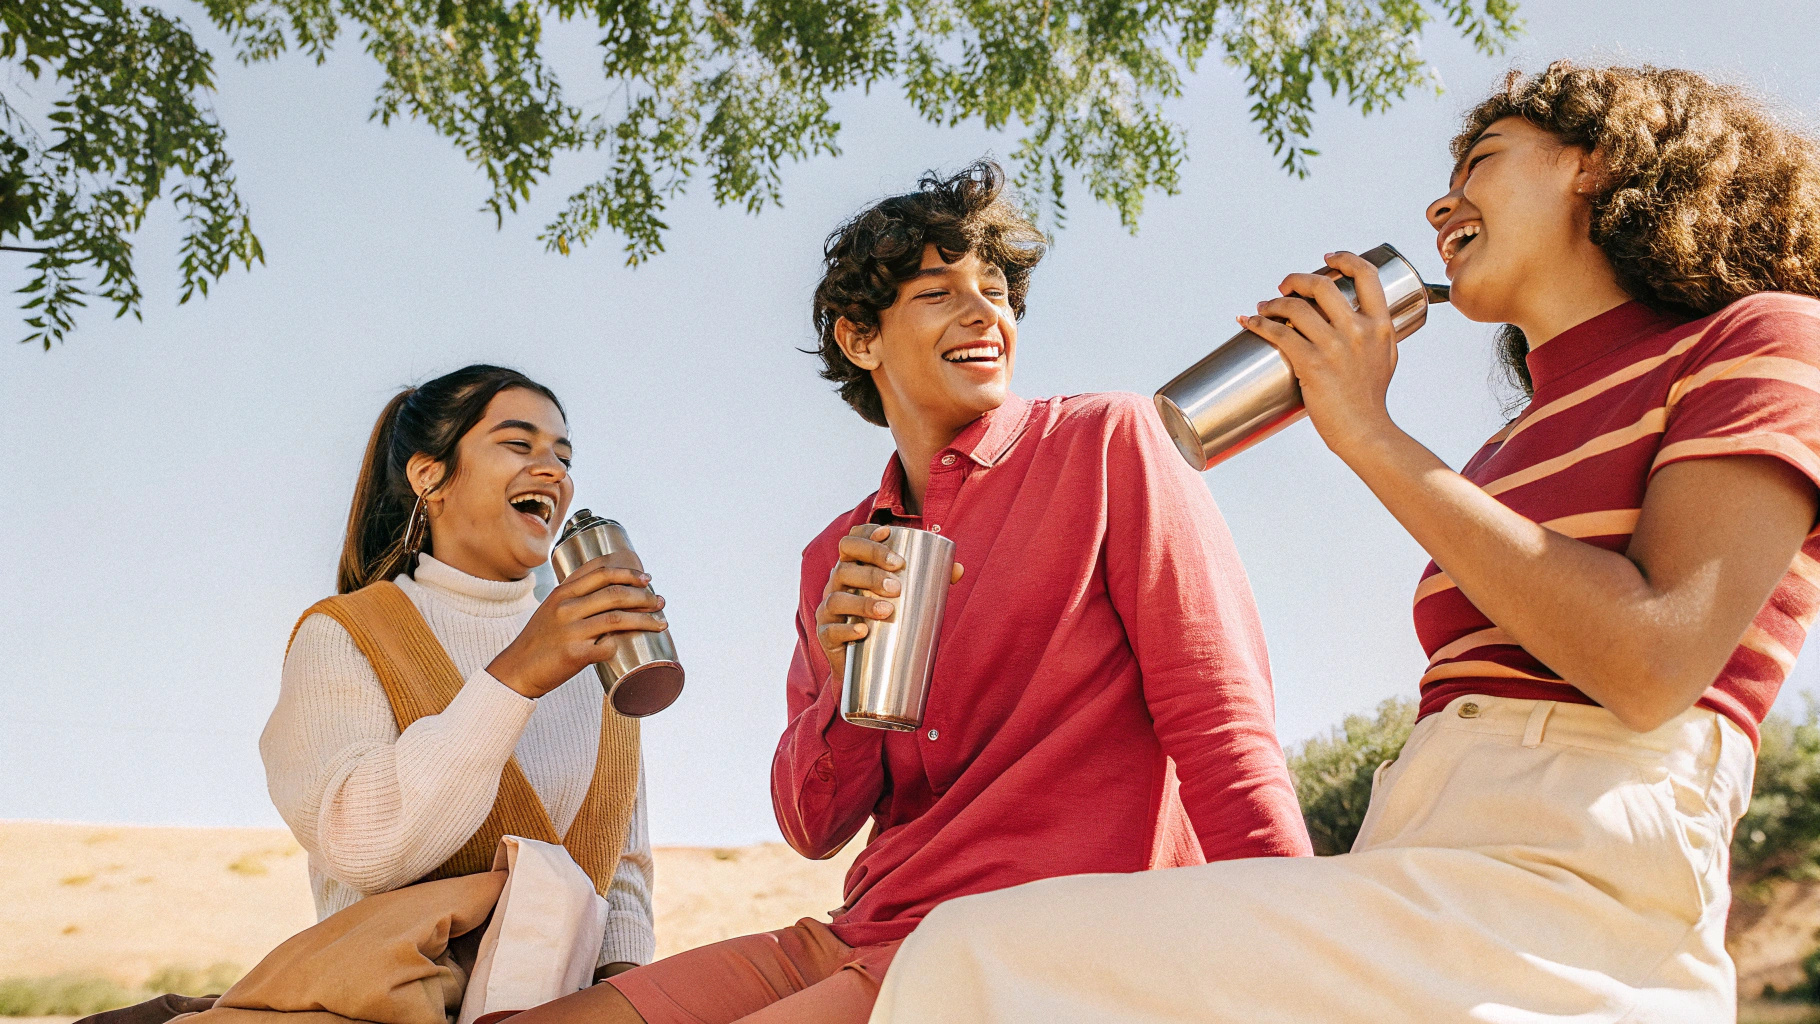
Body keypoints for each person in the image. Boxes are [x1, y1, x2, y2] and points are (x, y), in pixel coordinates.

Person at [867, 62, 1820, 1024]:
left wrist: (1367, 432)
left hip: (1577, 880)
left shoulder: (1765, 338)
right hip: (1415, 845)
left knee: (975, 956)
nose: (1444, 201)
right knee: (980, 951)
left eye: (1480, 161)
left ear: (1596, 163)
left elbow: (1653, 661)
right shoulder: (1507, 445)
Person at [505, 161, 1310, 1024]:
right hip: (868, 925)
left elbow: (1219, 718)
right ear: (861, 338)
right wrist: (849, 685)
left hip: (1039, 934)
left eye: (995, 290)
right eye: (937, 293)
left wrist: (1302, 946)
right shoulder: (837, 554)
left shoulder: (1105, 443)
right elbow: (811, 825)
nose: (982, 314)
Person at [263, 364, 668, 982]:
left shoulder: (600, 659)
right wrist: (516, 678)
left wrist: (622, 996)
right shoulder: (347, 633)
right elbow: (364, 845)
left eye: (563, 455)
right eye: (518, 443)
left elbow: (621, 870)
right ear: (431, 476)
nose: (554, 471)